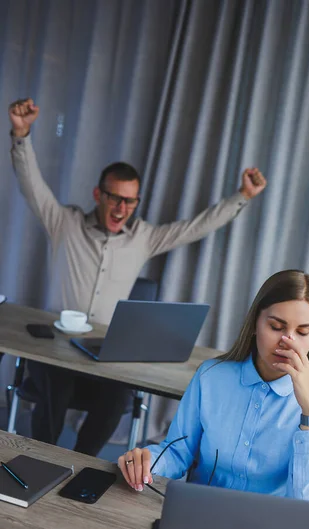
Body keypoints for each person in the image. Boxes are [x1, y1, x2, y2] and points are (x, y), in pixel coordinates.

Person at [8, 98, 267, 456]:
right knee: (54, 386)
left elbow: (194, 228)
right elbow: (32, 186)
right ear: (99, 195)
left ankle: (81, 463)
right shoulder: (64, 223)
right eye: (115, 198)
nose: (121, 209)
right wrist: (22, 135)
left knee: (118, 396)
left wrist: (242, 196)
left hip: (106, 353)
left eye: (130, 202)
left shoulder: (144, 237)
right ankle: (41, 460)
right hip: (57, 347)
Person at [119, 270, 309, 503]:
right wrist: (145, 462)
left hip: (271, 526)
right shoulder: (211, 376)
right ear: (255, 323)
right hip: (200, 512)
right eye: (276, 327)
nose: (288, 342)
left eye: (303, 332)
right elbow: (177, 453)